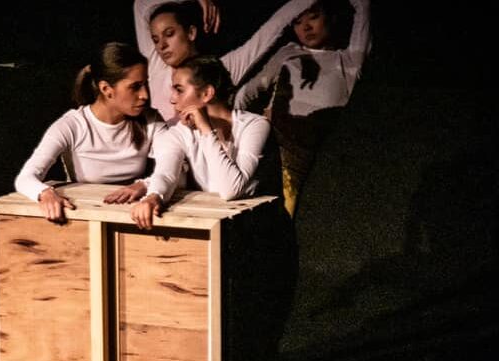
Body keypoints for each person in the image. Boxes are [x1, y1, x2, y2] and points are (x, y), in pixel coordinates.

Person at [233, 0, 371, 216]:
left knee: (287, 215)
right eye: (297, 21)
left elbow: (363, 7)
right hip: (272, 143)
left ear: (329, 17)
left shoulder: (348, 60)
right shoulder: (288, 53)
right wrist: (235, 130)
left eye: (313, 17)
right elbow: (246, 93)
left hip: (311, 152)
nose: (306, 27)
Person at [14, 42, 167, 223]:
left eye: (145, 84)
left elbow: (175, 169)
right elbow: (25, 178)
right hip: (83, 216)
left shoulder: (150, 119)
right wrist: (44, 193)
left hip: (133, 215)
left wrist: (144, 185)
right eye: (135, 87)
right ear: (106, 89)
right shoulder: (73, 125)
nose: (145, 95)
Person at [127, 56, 278, 229]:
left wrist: (206, 129)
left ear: (207, 93)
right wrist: (153, 197)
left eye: (179, 90)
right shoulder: (178, 133)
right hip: (211, 222)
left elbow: (230, 189)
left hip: (255, 224)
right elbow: (166, 172)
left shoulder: (254, 125)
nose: (172, 99)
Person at [134, 0, 317, 122]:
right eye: (155, 40)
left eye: (169, 34)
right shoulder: (157, 67)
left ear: (191, 33)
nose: (161, 46)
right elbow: (141, 4)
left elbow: (276, 25)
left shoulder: (220, 68)